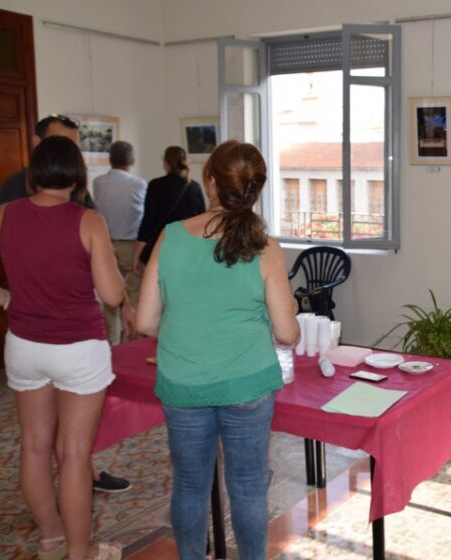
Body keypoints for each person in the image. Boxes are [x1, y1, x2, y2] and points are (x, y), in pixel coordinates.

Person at [136, 140, 299, 559]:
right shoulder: (265, 247)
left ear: (209, 181)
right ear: (254, 189)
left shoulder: (170, 237)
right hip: (247, 384)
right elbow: (287, 332)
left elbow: (144, 321)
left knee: (189, 486)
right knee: (247, 487)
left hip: (183, 383)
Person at [0, 136, 126, 560]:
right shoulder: (87, 221)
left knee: (33, 445)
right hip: (78, 349)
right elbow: (112, 295)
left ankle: (50, 539)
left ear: (33, 175)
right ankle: (80, 551)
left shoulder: (4, 214)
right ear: (79, 178)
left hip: (24, 345)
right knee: (73, 453)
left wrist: (4, 298)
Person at [92, 141, 147, 345]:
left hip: (106, 245)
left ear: (110, 160)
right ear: (132, 160)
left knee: (110, 297)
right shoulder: (139, 184)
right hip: (132, 246)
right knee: (134, 296)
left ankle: (113, 344)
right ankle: (131, 343)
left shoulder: (98, 183)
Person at [0, 114, 95, 209]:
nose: (67, 153)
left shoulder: (77, 186)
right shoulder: (14, 186)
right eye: (57, 144)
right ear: (37, 142)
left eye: (72, 147)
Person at [133, 146, 205, 275]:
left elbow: (147, 224)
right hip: (188, 251)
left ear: (166, 162)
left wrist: (138, 255)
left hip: (161, 249)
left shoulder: (155, 185)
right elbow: (202, 222)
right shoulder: (195, 187)